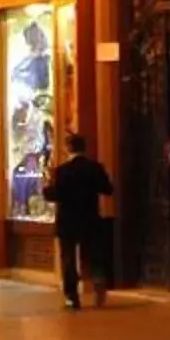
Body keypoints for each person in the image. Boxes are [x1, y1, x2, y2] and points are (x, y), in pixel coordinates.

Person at [44, 131, 114, 311]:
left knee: (68, 259)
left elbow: (53, 195)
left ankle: (72, 298)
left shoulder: (61, 171)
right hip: (90, 217)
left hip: (67, 220)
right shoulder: (95, 168)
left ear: (68, 148)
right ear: (85, 148)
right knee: (93, 255)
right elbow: (107, 189)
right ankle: (98, 281)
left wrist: (47, 185)